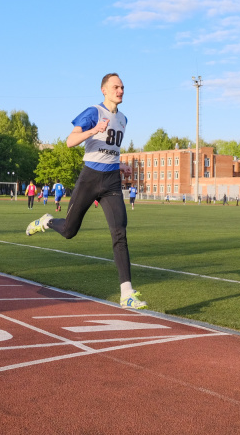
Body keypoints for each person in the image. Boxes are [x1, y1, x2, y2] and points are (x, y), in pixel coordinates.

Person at [25, 73, 146, 309]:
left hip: (111, 181)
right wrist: (93, 130)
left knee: (120, 232)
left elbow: (109, 149)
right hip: (90, 178)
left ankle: (127, 293)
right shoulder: (94, 112)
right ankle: (47, 221)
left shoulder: (123, 119)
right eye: (116, 87)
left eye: (122, 87)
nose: (120, 90)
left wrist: (120, 165)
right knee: (69, 231)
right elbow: (71, 141)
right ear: (104, 90)